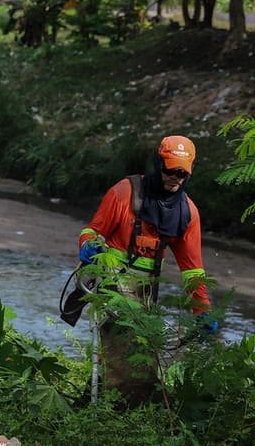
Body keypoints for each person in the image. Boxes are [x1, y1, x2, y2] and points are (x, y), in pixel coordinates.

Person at [77, 135, 218, 401]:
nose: (174, 177)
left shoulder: (187, 214)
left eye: (181, 172)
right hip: (112, 285)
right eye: (169, 169)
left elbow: (193, 271)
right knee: (123, 350)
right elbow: (92, 230)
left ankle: (97, 404)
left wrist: (202, 311)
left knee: (141, 353)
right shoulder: (125, 192)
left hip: (146, 293)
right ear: (158, 163)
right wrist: (88, 246)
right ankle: (109, 409)